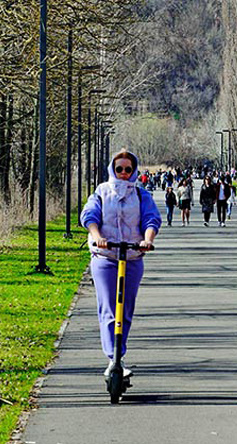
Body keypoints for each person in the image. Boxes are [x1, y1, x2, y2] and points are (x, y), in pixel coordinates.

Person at [81, 150, 161, 380]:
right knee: (108, 308)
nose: (124, 174)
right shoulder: (101, 192)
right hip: (105, 257)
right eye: (119, 169)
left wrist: (147, 240)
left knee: (124, 310)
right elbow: (89, 215)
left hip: (132, 256)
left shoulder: (140, 194)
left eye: (128, 169)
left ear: (134, 170)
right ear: (112, 170)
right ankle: (112, 359)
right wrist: (97, 236)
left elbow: (151, 219)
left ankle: (119, 356)